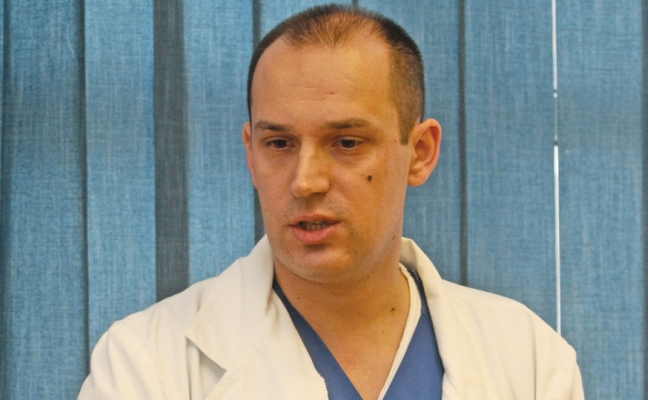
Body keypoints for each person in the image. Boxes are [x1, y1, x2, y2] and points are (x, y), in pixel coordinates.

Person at [79, 4, 583, 399]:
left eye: (346, 142)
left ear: (420, 153)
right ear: (251, 155)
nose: (306, 181)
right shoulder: (145, 364)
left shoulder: (529, 360)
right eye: (279, 143)